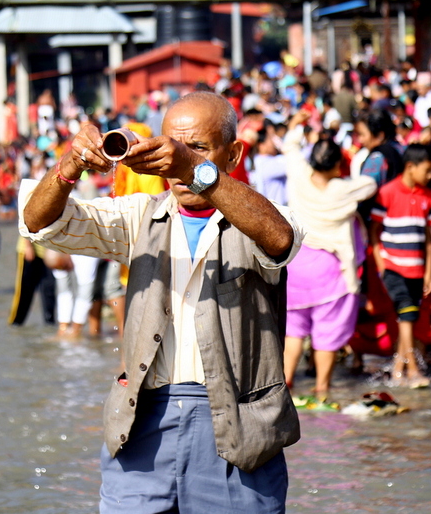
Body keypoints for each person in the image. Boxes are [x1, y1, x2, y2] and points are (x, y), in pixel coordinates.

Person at [19, 91, 301, 512]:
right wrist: (71, 163)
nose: (178, 161)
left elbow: (279, 238)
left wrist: (191, 167)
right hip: (142, 422)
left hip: (239, 429)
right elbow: (38, 223)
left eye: (199, 147)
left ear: (234, 154)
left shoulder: (260, 216)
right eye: (173, 146)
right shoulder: (139, 215)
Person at [281, 117, 377, 403]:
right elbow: (370, 184)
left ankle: (287, 383)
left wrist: (297, 126)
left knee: (294, 331)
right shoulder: (342, 189)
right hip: (330, 269)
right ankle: (322, 388)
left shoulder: (298, 175)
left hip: (296, 265)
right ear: (337, 166)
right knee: (327, 331)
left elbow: (290, 147)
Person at [372, 143, 431, 388]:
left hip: (417, 267)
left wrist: (428, 272)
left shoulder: (427, 196)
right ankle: (413, 371)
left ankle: (398, 369)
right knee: (407, 315)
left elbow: (429, 239)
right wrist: (381, 263)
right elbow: (374, 231)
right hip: (393, 265)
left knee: (408, 317)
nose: (430, 177)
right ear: (410, 167)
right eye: (427, 171)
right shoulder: (387, 192)